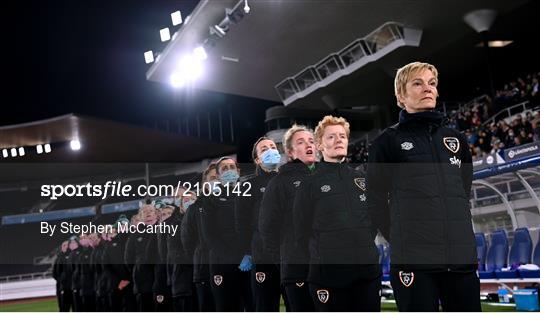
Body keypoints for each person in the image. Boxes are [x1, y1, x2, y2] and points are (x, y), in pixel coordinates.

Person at [367, 61, 480, 311]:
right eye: (417, 83)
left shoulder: (456, 140)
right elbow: (374, 200)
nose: (427, 88)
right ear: (401, 95)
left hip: (460, 260)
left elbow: (463, 191)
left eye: (431, 83)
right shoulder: (386, 142)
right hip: (414, 262)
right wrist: (398, 237)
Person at [293, 115, 381, 311]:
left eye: (342, 136)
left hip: (366, 274)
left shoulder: (362, 179)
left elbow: (373, 220)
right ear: (320, 145)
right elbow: (300, 232)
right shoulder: (309, 184)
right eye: (331, 137)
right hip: (328, 277)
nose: (339, 140)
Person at [259, 124, 317, 312]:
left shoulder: (325, 177)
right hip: (298, 270)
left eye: (311, 141)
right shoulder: (278, 184)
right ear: (290, 153)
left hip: (327, 269)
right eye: (301, 142)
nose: (309, 145)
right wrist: (287, 260)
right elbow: (267, 229)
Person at [200, 157, 253, 311]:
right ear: (218, 175)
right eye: (224, 168)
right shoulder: (210, 200)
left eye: (232, 167)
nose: (229, 170)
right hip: (222, 264)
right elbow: (209, 236)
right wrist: (235, 258)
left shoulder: (249, 194)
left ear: (238, 171)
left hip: (250, 262)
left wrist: (249, 253)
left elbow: (255, 227)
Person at [235, 137, 282, 311]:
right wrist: (246, 252)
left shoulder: (289, 181)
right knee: (265, 306)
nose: (270, 150)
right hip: (262, 255)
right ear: (257, 159)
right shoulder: (248, 186)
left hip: (290, 255)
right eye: (264, 149)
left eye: (272, 147)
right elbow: (242, 224)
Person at [181, 164, 218, 312]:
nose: (216, 181)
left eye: (218, 177)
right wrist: (201, 255)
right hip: (205, 268)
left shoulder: (234, 202)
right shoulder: (194, 209)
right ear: (205, 183)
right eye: (212, 178)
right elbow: (187, 240)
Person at [124, 202, 159, 312]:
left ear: (156, 214)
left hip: (163, 279)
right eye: (144, 211)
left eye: (151, 211)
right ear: (140, 216)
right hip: (143, 282)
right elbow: (128, 260)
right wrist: (139, 269)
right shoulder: (134, 236)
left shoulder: (164, 230)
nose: (148, 214)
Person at [102, 215, 133, 312]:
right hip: (117, 286)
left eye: (125, 225)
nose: (123, 228)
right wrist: (118, 281)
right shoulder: (109, 245)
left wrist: (128, 279)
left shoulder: (134, 239)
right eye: (120, 226)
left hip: (134, 283)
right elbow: (106, 266)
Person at [53, 240, 71, 312]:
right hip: (62, 287)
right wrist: (61, 281)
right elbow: (54, 273)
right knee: (63, 307)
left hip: (72, 286)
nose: (64, 247)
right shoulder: (58, 258)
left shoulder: (73, 256)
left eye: (66, 245)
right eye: (63, 245)